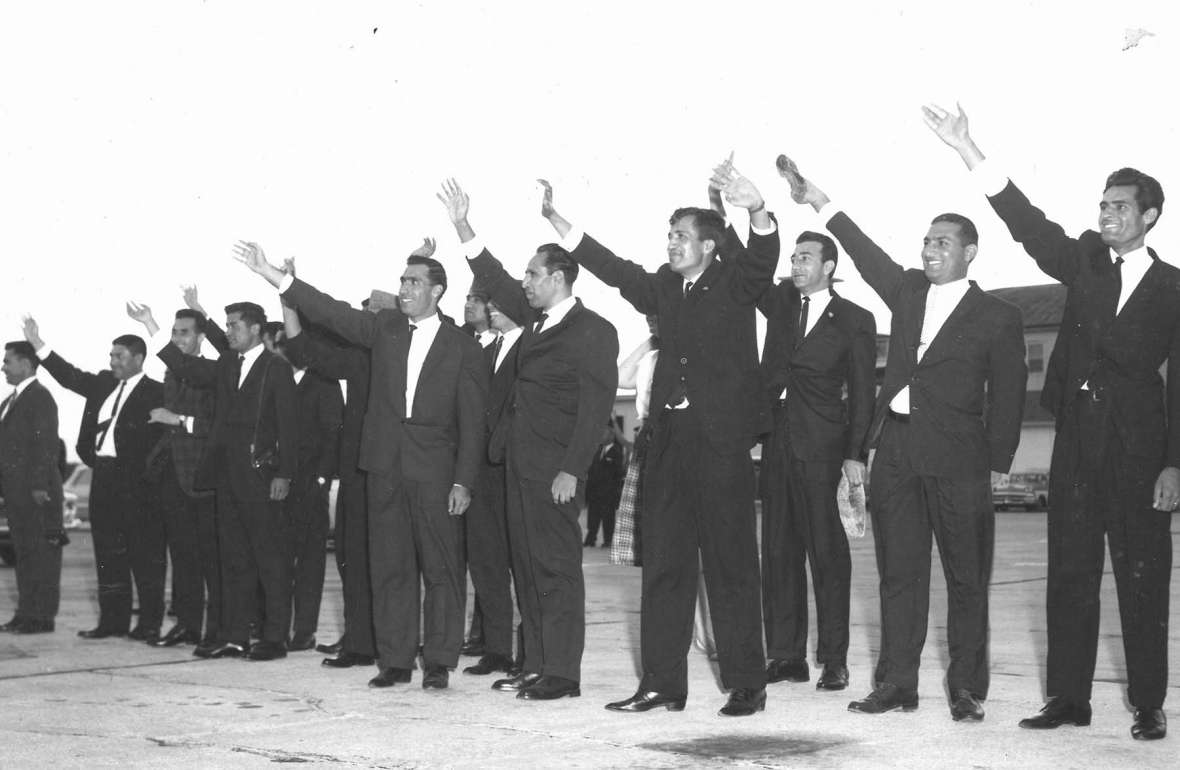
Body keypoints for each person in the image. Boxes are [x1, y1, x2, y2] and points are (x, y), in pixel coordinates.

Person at [924, 103, 1178, 741]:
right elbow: (1029, 227)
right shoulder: (1087, 262)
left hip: (1143, 453)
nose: (1107, 214)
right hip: (1078, 445)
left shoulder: (1174, 288)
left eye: (1120, 206)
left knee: (1142, 579)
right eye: (1103, 205)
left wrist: (1174, 462)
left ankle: (1149, 704)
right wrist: (969, 150)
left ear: (1149, 216)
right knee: (1070, 572)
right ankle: (1068, 698)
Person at [781, 157, 1027, 722]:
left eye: (942, 242)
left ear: (969, 252)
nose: (929, 250)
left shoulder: (998, 315)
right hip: (896, 452)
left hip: (960, 460)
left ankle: (967, 688)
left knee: (966, 578)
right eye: (924, 242)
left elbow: (1010, 395)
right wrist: (821, 200)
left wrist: (998, 462)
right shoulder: (909, 292)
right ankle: (897, 683)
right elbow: (864, 253)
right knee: (899, 575)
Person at [536, 160, 778, 717]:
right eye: (669, 236)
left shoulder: (737, 281)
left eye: (682, 236)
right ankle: (663, 684)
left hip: (721, 444)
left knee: (731, 565)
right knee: (665, 567)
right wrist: (558, 220)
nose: (672, 244)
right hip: (667, 443)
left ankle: (746, 683)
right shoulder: (666, 286)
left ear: (711, 245)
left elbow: (764, 255)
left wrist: (757, 208)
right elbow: (615, 270)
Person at [235, 241, 487, 691]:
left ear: (437, 291)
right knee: (389, 566)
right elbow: (330, 311)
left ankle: (439, 661)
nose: (405, 289)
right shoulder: (384, 328)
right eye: (403, 281)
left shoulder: (462, 347)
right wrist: (275, 276)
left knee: (441, 569)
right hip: (384, 468)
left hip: (435, 471)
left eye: (414, 283)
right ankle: (394, 660)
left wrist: (464, 480)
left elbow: (472, 421)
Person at [439, 179, 619, 702]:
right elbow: (491, 275)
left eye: (533, 275)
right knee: (529, 569)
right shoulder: (538, 323)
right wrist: (463, 227)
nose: (524, 282)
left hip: (556, 473)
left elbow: (595, 406)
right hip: (518, 467)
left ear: (558, 279)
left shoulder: (593, 329)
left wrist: (573, 469)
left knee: (557, 570)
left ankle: (562, 673)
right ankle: (536, 663)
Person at [756, 228, 876, 693]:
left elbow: (864, 392)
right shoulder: (783, 304)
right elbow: (745, 267)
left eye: (806, 257)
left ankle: (834, 659)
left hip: (825, 447)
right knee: (779, 551)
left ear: (828, 267)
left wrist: (855, 454)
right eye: (793, 257)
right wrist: (732, 210)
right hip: (777, 442)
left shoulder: (854, 318)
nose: (796, 264)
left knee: (827, 554)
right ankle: (786, 656)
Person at [156, 301, 298, 661]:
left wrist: (284, 474)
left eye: (234, 325)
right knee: (233, 560)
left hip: (261, 477)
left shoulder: (276, 368)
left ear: (254, 330)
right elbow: (185, 366)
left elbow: (289, 428)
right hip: (227, 477)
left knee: (269, 560)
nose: (229, 331)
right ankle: (235, 637)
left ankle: (275, 638)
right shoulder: (226, 366)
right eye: (227, 325)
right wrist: (152, 327)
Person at [25, 317, 167, 642]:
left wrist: (148, 476)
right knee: (108, 555)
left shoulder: (156, 392)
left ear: (138, 359)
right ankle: (112, 622)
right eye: (112, 355)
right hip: (103, 478)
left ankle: (149, 624)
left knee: (145, 556)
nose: (113, 361)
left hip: (138, 484)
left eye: (120, 356)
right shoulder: (103, 384)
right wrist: (38, 344)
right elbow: (69, 377)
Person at [125, 299, 225, 652]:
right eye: (173, 333)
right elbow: (174, 365)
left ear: (201, 338)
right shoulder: (172, 372)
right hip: (173, 476)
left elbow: (217, 426)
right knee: (182, 557)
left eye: (184, 333)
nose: (178, 338)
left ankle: (217, 630)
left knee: (211, 560)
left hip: (202, 479)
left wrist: (179, 420)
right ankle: (186, 624)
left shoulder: (216, 373)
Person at [461, 294, 528, 677]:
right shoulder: (489, 348)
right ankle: (497, 649)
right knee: (486, 563)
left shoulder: (529, 346)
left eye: (497, 300)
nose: (491, 307)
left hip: (513, 469)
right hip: (482, 471)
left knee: (521, 564)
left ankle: (528, 651)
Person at [269, 320, 343, 652]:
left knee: (311, 563)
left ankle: (304, 630)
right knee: (279, 559)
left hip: (312, 485)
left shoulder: (324, 383)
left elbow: (332, 436)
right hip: (280, 483)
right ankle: (278, 628)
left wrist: (322, 479)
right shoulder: (278, 381)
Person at [0, 340, 65, 634]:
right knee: (24, 555)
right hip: (16, 495)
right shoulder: (10, 402)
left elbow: (46, 446)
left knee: (42, 555)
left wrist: (40, 487)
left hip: (36, 494)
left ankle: (41, 617)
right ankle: (26, 612)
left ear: (25, 364)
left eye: (7, 361)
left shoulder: (40, 397)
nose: (3, 367)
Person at [584, 423, 625, 548]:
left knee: (608, 518)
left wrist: (615, 492)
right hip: (594, 492)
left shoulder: (616, 452)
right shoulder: (597, 451)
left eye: (604, 433)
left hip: (608, 493)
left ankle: (608, 540)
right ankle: (590, 540)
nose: (601, 436)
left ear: (611, 436)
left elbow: (618, 473)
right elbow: (591, 471)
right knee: (592, 518)